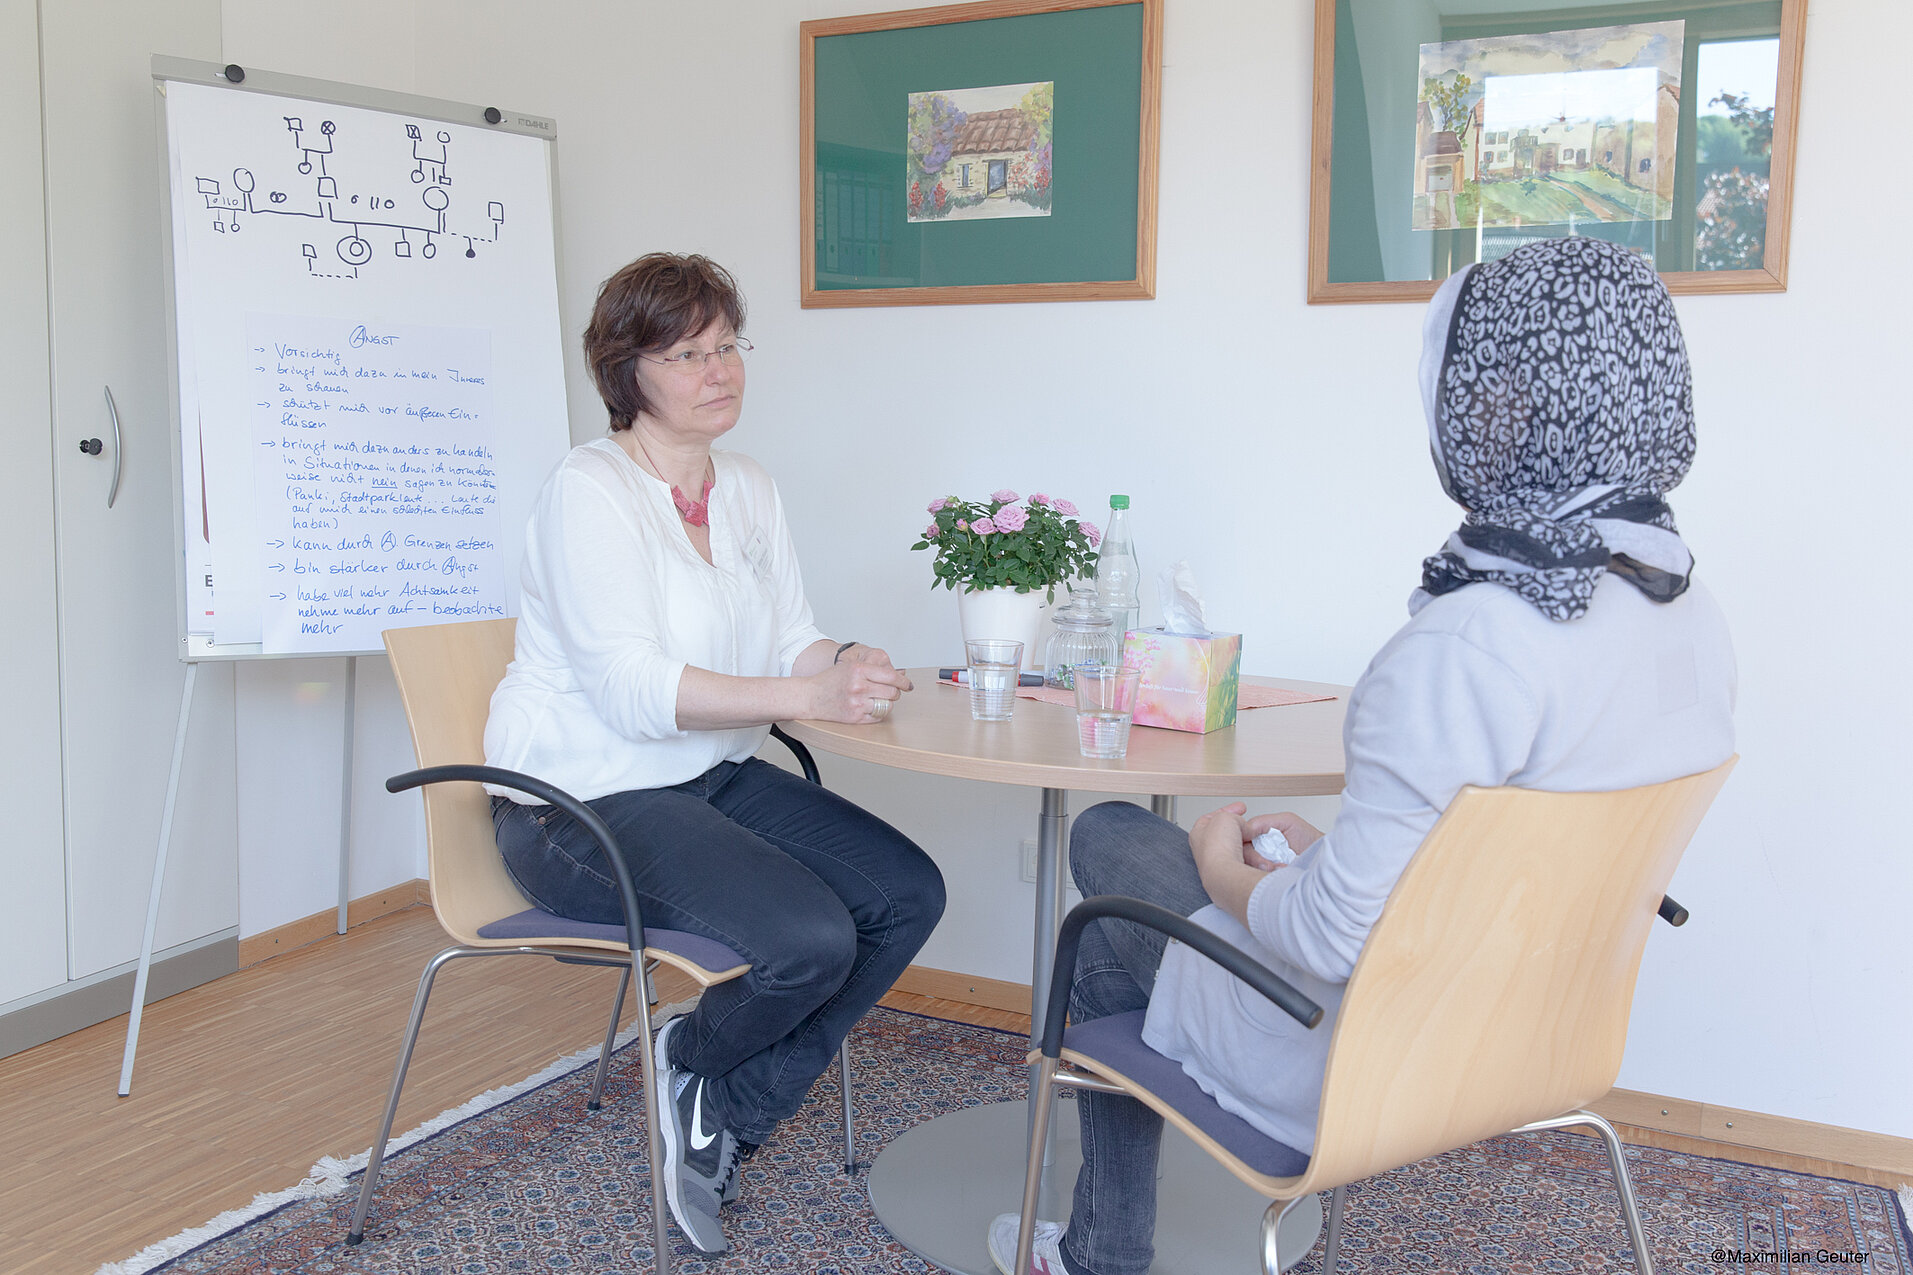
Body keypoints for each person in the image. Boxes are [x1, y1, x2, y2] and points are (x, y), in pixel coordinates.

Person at [987, 236, 1737, 1275]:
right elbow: (1493, 853)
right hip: (1531, 1031)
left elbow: (1330, 944)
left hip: (1360, 1054)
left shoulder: (1464, 644)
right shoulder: (1688, 617)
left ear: (1492, 409)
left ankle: (1101, 1251)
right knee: (1161, 854)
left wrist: (1220, 869)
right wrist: (1323, 858)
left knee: (1114, 856)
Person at [484, 252, 945, 1255]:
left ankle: (719, 1103)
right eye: (687, 353)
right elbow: (630, 690)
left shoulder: (745, 487)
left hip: (706, 776)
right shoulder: (586, 490)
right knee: (810, 941)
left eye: (727, 344)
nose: (718, 369)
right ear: (626, 372)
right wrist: (803, 693)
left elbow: (790, 637)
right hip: (577, 802)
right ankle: (693, 1061)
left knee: (907, 892)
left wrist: (845, 662)